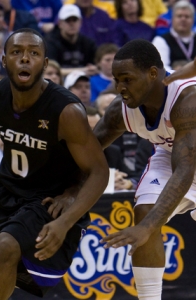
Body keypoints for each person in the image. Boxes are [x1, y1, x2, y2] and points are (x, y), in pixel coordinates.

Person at [0, 28, 109, 299]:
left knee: (5, 247)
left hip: (47, 199)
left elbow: (98, 172)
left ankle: (9, 263)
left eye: (33, 53)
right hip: (6, 188)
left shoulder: (66, 111)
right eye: (16, 52)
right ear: (4, 60)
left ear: (45, 64)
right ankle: (9, 269)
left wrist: (66, 221)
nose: (25, 59)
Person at [92, 39, 196, 299]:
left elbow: (186, 170)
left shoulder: (187, 98)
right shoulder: (122, 110)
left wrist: (147, 228)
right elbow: (87, 152)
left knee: (147, 224)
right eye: (117, 80)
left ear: (152, 74)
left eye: (127, 79)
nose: (121, 88)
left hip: (186, 160)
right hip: (173, 153)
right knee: (145, 210)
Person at [44, 4, 98, 77]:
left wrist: (94, 69)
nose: (71, 24)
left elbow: (97, 67)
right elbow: (49, 71)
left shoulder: (88, 43)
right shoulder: (50, 42)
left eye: (74, 20)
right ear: (60, 23)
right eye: (67, 20)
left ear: (80, 22)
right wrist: (84, 71)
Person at [152, 0, 196, 70]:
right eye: (179, 16)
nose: (183, 19)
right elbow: (161, 68)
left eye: (187, 16)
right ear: (172, 19)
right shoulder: (161, 40)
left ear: (193, 21)